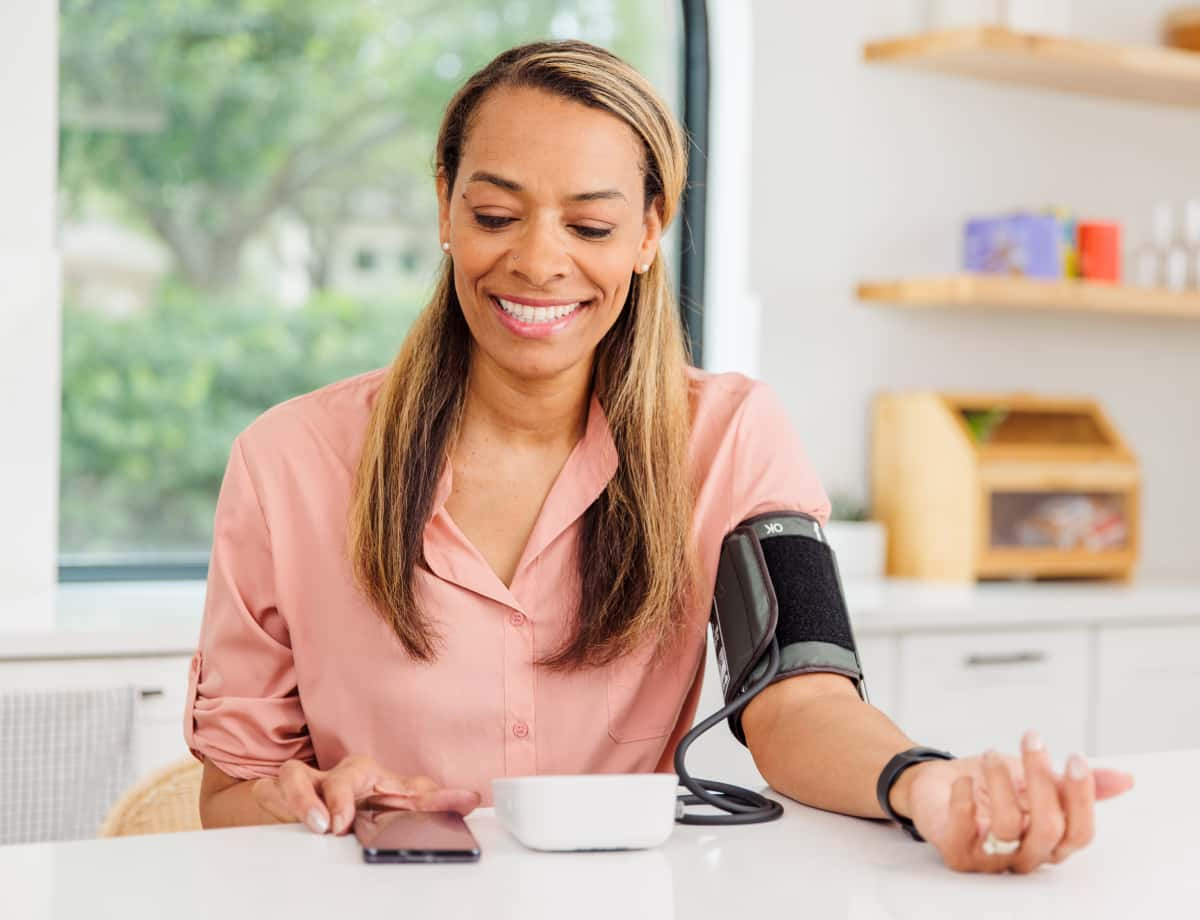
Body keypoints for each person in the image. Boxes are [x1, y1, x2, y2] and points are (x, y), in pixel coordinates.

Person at [188, 40, 1132, 874]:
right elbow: (228, 794)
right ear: (444, 205)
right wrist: (297, 798)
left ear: (650, 229)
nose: (538, 262)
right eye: (493, 215)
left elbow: (798, 695)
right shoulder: (288, 462)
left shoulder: (729, 436)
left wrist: (924, 786)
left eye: (590, 226)